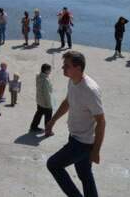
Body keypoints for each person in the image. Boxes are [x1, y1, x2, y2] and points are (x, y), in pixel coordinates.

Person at [45, 51, 105, 197]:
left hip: (82, 143)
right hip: (75, 137)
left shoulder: (90, 90)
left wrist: (96, 151)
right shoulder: (72, 80)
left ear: (78, 68)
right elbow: (67, 102)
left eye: (67, 66)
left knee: (53, 164)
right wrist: (52, 121)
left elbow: (101, 122)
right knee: (85, 175)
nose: (63, 68)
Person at [30, 63, 53, 132]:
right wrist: (48, 104)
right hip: (45, 102)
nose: (50, 71)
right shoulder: (45, 80)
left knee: (39, 113)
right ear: (46, 71)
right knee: (48, 116)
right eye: (49, 70)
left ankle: (34, 126)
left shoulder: (38, 76)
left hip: (39, 100)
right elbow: (46, 93)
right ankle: (48, 130)